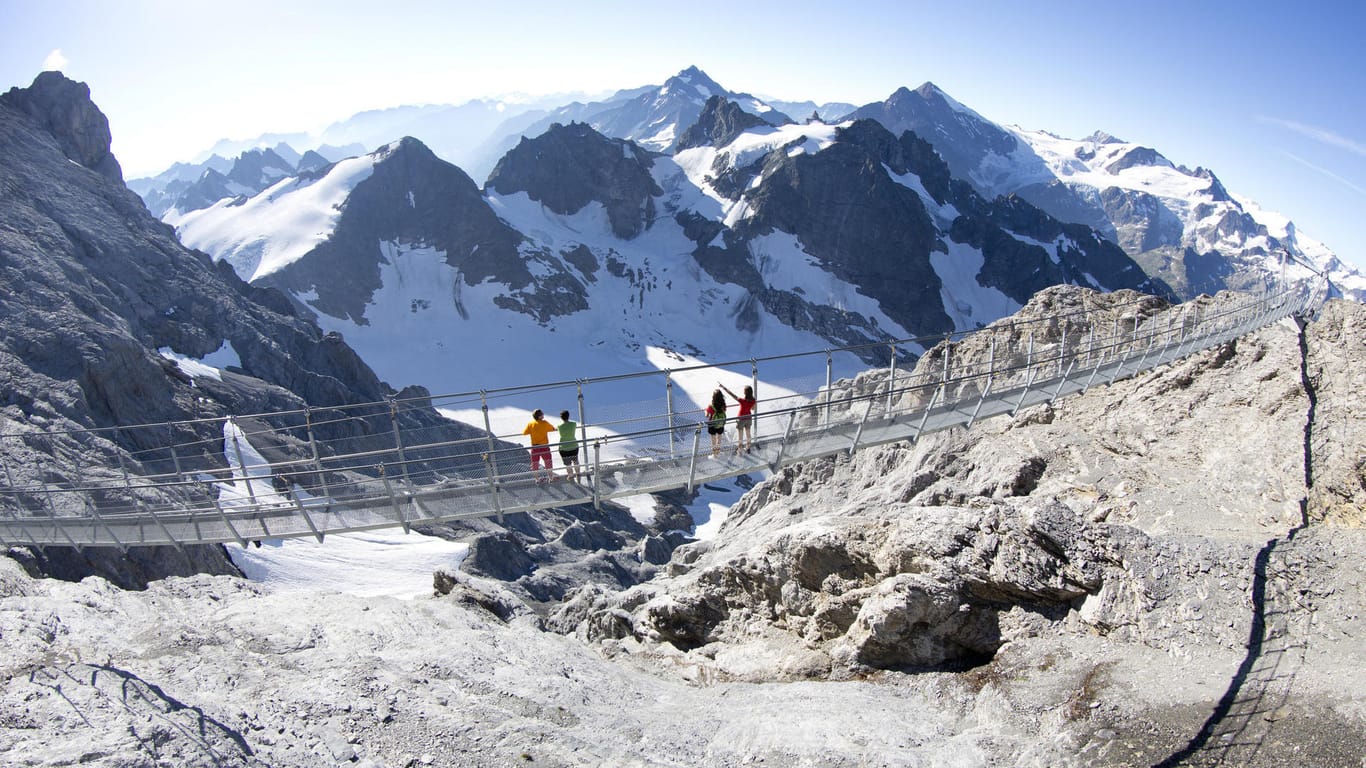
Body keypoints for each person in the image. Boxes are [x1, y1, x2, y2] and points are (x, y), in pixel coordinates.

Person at [521, 409, 557, 484]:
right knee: (548, 462)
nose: (543, 415)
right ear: (540, 416)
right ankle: (551, 478)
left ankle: (537, 479)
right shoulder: (544, 423)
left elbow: (524, 433)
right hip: (544, 446)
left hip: (534, 447)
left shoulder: (530, 424)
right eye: (542, 414)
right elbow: (552, 429)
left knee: (535, 463)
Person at [720, 383, 757, 453]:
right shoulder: (753, 400)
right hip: (749, 418)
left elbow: (732, 394)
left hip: (741, 419)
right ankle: (748, 447)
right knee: (748, 433)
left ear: (745, 392)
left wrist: (723, 387)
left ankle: (740, 449)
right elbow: (753, 409)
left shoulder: (742, 400)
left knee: (740, 434)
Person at [556, 410, 581, 483]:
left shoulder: (559, 427)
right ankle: (578, 475)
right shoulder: (573, 424)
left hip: (563, 447)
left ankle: (570, 476)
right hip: (573, 445)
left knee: (568, 464)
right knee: (576, 461)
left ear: (561, 418)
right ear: (568, 416)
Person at [704, 388, 727, 457]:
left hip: (712, 424)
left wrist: (706, 411)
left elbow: (706, 415)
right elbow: (724, 412)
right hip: (720, 423)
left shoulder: (710, 406)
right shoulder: (723, 405)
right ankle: (718, 452)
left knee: (713, 440)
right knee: (719, 438)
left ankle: (714, 454)